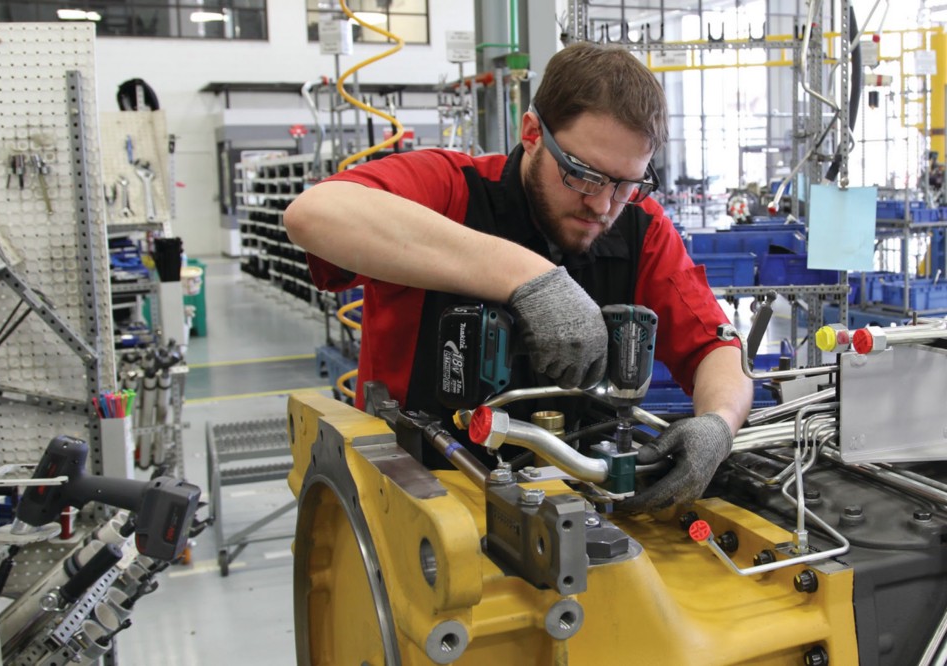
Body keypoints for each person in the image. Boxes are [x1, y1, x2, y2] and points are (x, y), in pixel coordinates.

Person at [285, 42, 753, 512]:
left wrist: (718, 423)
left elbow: (714, 346)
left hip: (580, 511)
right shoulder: (452, 188)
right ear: (532, 132)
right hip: (419, 506)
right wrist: (530, 277)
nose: (602, 205)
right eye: (584, 175)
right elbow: (313, 214)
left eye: (625, 183)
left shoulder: (640, 226)